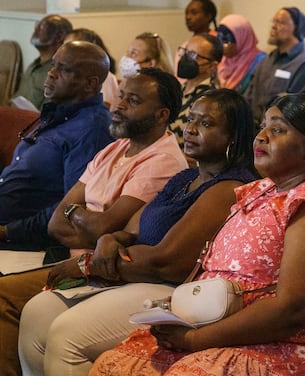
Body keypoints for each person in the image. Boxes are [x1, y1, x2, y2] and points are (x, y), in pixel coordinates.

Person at [89, 93, 305, 375]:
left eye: (277, 129)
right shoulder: (264, 189)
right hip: (222, 321)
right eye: (262, 127)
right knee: (113, 366)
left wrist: (195, 339)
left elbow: (297, 308)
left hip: (301, 343)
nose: (261, 137)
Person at [19, 89, 257, 376]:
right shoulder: (186, 178)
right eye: (191, 120)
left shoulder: (228, 187)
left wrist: (89, 265)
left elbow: (166, 262)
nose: (191, 129)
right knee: (37, 312)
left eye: (206, 124)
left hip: (175, 288)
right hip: (134, 273)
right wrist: (110, 238)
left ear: (233, 137)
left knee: (66, 334)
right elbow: (131, 230)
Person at [0, 68, 188, 376]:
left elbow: (106, 230)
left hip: (106, 270)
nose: (119, 106)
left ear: (161, 114)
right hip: (72, 257)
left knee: (5, 295)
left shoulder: (163, 160)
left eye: (134, 101)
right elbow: (57, 223)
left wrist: (83, 219)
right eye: (122, 96)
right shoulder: (115, 148)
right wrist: (87, 220)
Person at [0, 41, 114, 249]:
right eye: (53, 65)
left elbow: (72, 207)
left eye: (63, 70)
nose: (51, 74)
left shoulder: (91, 130)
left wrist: (8, 232)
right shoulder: (58, 114)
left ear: (90, 84)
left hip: (24, 240)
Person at [246, 7, 305, 126]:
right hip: (255, 129)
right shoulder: (267, 59)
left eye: (280, 22)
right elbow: (249, 96)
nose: (273, 26)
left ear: (296, 28)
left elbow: (298, 110)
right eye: (273, 21)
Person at [170, 33, 223, 147]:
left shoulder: (210, 99)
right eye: (185, 51)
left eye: (193, 55)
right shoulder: (179, 89)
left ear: (212, 66)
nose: (185, 58)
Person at [11, 14, 73, 110]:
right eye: (37, 25)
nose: (36, 29)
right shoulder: (33, 65)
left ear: (59, 36)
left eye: (42, 26)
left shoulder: (58, 73)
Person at [64, 27, 120, 109]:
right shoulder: (66, 75)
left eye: (71, 47)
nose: (63, 51)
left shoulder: (105, 77)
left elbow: (105, 106)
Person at [216, 14, 266, 95]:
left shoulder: (261, 62)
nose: (222, 45)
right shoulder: (222, 60)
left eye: (226, 40)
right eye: (219, 38)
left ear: (241, 38)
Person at [175, 0, 218, 84]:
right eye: (186, 13)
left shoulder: (216, 43)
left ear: (208, 16)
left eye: (194, 13)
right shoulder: (185, 45)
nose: (188, 17)